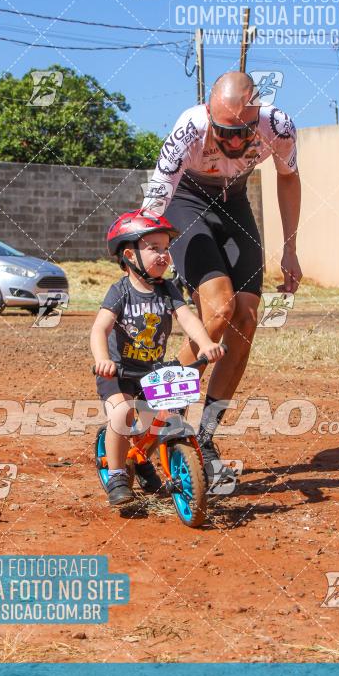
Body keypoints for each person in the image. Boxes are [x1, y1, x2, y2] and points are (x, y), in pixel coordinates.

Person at [141, 71, 302, 482]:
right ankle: (158, 411)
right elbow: (156, 199)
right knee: (218, 312)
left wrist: (290, 248)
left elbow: (288, 177)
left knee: (245, 319)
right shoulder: (188, 130)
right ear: (208, 116)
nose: (232, 142)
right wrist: (146, 258)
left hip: (235, 204)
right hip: (187, 204)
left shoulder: (278, 127)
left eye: (241, 133)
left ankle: (206, 436)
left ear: (257, 115)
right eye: (224, 132)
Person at [90, 211, 225, 507]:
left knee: (159, 422)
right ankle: (116, 475)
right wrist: (103, 359)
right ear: (130, 255)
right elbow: (100, 327)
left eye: (166, 248)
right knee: (122, 414)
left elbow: (187, 318)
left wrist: (205, 343)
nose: (164, 255)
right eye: (154, 248)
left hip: (152, 371)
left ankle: (141, 460)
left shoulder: (167, 289)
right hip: (119, 372)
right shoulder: (120, 292)